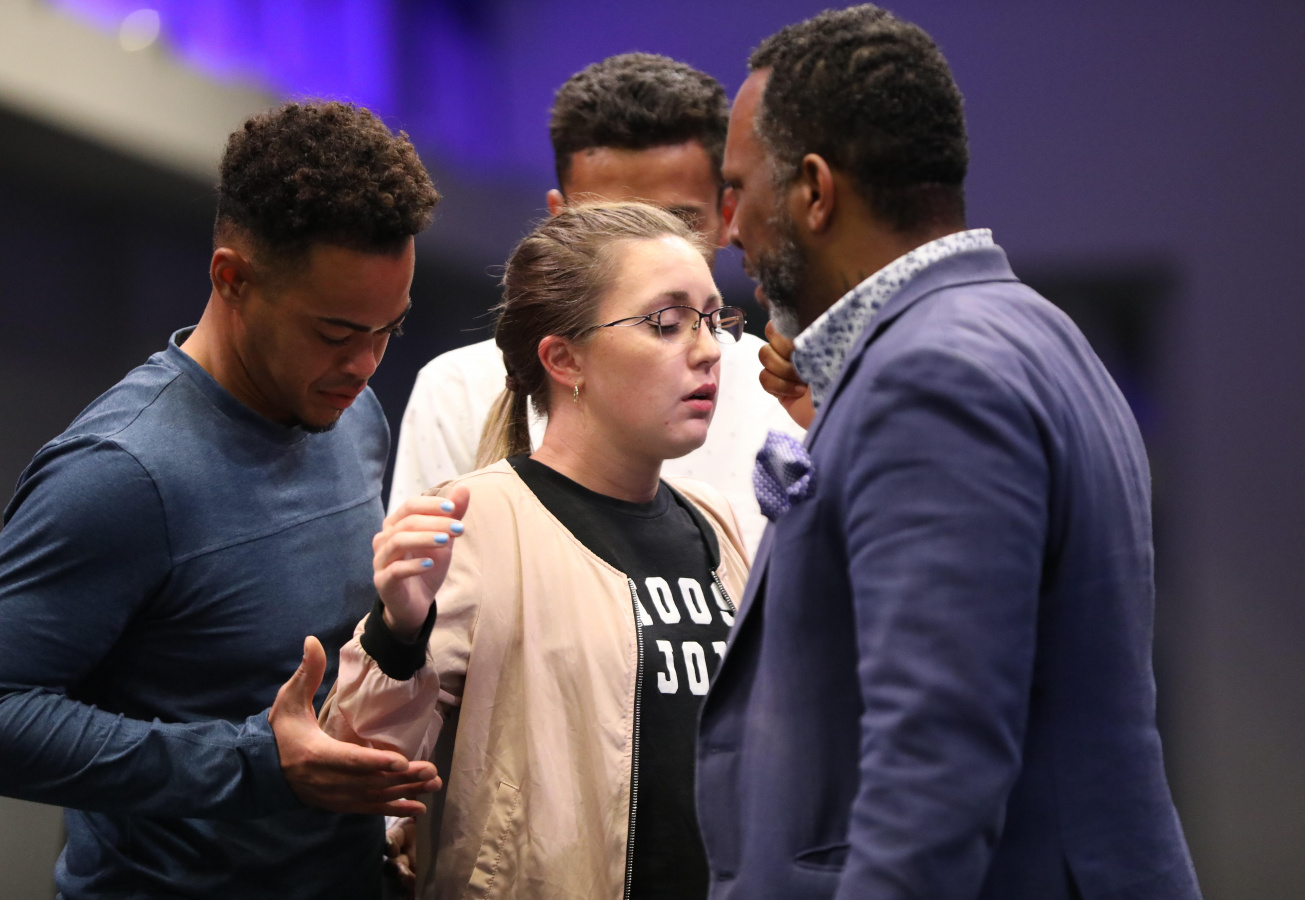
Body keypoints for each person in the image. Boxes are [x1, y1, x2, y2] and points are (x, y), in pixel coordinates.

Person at [696, 7, 1202, 900]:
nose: (730, 230)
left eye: (739, 191)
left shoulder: (930, 376)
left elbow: (934, 771)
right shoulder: (1032, 329)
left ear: (815, 191)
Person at [0, 101, 444, 899]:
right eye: (336, 333)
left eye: (390, 330)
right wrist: (253, 763)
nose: (366, 364)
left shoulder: (353, 417)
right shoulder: (120, 471)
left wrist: (402, 632)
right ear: (232, 279)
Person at [320, 202, 750, 900]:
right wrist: (398, 634)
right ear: (564, 358)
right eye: (668, 322)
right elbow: (357, 768)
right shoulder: (478, 521)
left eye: (713, 318)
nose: (708, 350)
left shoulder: (718, 521)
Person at [389, 52, 799, 554]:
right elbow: (430, 589)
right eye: (610, 222)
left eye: (679, 222)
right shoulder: (457, 391)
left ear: (727, 213)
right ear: (558, 222)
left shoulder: (783, 395)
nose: (652, 249)